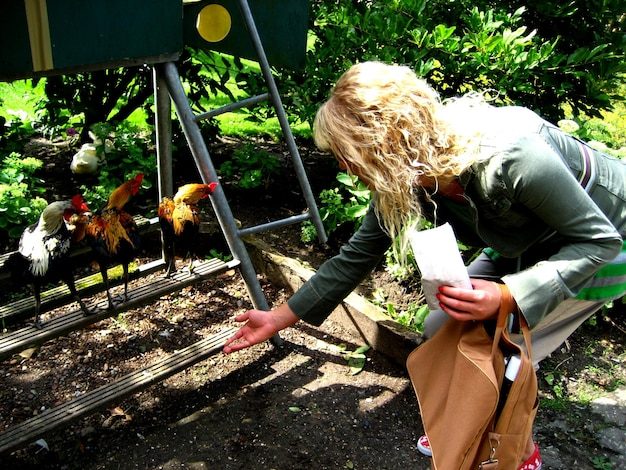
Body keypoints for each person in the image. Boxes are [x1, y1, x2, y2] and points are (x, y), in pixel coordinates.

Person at [223, 61, 626, 469]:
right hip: (525, 240)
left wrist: (507, 295)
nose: (344, 167)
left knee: (503, 353)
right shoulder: (410, 173)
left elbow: (599, 240)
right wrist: (279, 317)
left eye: (348, 154)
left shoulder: (511, 156)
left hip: (601, 245)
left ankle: (514, 452)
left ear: (385, 141)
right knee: (440, 327)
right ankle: (462, 421)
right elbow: (355, 257)